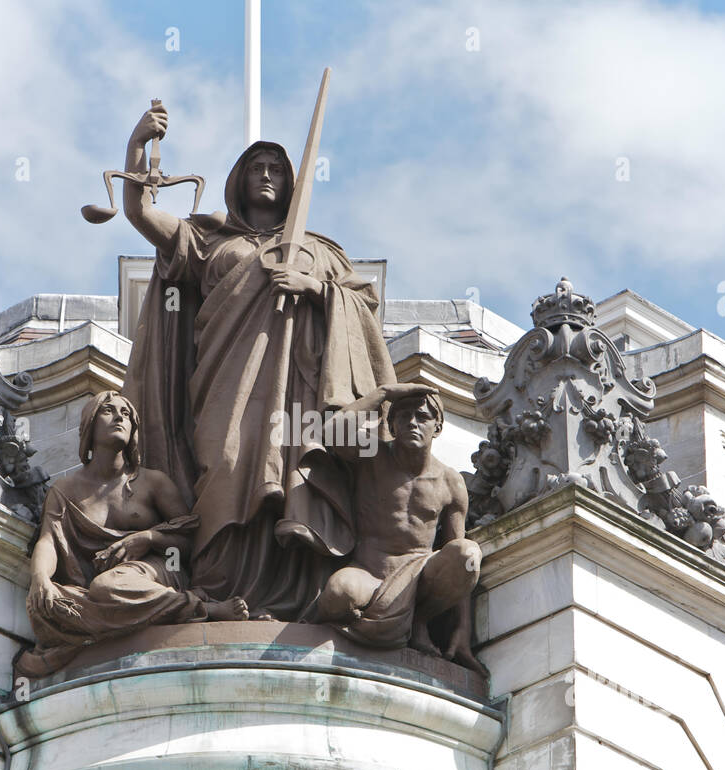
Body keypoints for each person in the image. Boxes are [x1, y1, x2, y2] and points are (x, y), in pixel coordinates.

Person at [120, 102, 396, 620]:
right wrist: (137, 148)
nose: (265, 176)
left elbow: (363, 310)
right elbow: (141, 214)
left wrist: (316, 289)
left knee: (294, 479)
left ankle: (297, 596)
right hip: (225, 387)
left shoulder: (322, 251)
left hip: (300, 389)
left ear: (291, 183)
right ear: (237, 180)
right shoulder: (210, 242)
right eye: (256, 167)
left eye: (275, 169)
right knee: (225, 467)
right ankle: (221, 594)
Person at [18, 390, 248, 677]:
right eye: (109, 411)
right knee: (47, 605)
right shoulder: (65, 491)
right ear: (90, 424)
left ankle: (203, 609)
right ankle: (120, 619)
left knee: (108, 588)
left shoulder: (153, 483)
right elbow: (49, 540)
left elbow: (189, 542)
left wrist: (148, 539)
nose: (119, 418)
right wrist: (40, 580)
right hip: (97, 580)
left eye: (126, 414)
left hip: (159, 568)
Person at [315, 384, 485, 674]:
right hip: (370, 572)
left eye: (422, 417)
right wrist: (384, 393)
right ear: (391, 425)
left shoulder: (450, 481)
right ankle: (398, 627)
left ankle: (418, 620)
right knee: (337, 595)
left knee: (468, 553)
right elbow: (330, 432)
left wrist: (463, 629)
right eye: (403, 416)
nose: (412, 423)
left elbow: (456, 554)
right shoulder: (372, 457)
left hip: (420, 576)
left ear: (438, 426)